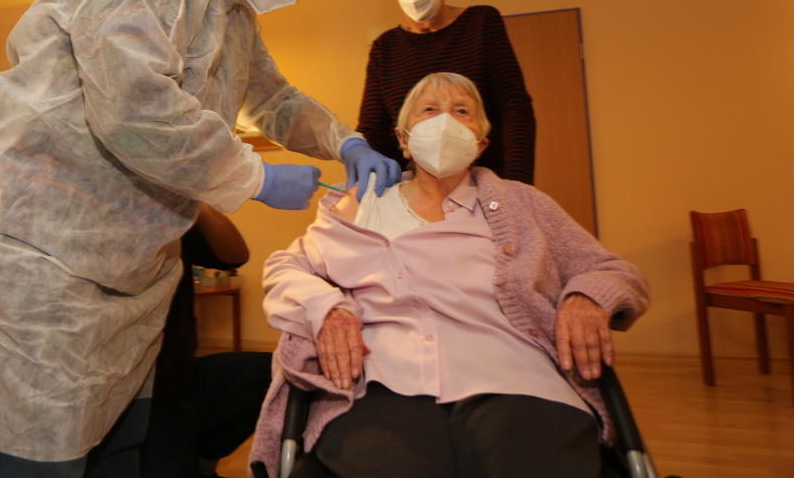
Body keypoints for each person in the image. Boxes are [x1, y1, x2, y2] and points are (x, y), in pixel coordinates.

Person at [0, 0, 400, 476]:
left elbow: (272, 99)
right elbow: (133, 107)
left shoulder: (231, 5)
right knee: (41, 448)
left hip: (131, 260)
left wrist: (343, 141)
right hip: (41, 245)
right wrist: (257, 179)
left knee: (120, 439)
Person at [253, 72, 650, 478]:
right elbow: (287, 267)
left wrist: (586, 297)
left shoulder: (523, 203)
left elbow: (611, 270)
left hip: (514, 377)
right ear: (403, 139)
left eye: (463, 111)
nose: (445, 121)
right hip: (381, 382)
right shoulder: (363, 201)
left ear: (481, 142)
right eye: (429, 110)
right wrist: (326, 308)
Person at [357, 0, 536, 184]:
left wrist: (517, 188)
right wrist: (375, 189)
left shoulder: (482, 23)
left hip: (485, 186)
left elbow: (514, 106)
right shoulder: (385, 48)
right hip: (413, 193)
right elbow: (373, 129)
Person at [149, 204, 270, 478]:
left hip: (179, 380)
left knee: (286, 373)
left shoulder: (169, 213)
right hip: (133, 398)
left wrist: (195, 201)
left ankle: (200, 452)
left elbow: (235, 255)